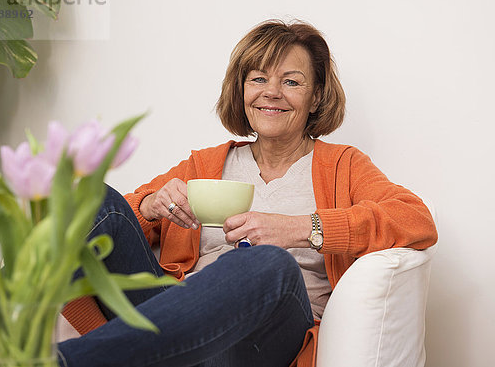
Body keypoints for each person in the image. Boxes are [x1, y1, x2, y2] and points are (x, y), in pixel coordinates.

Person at [58, 20, 438, 367]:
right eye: (258, 79)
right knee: (92, 200)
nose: (271, 93)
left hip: (261, 338)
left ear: (317, 97)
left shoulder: (342, 166)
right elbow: (114, 224)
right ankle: (3, 310)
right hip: (173, 324)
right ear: (241, 90)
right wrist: (151, 206)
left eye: (291, 82)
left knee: (267, 262)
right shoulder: (205, 164)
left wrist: (299, 229)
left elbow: (415, 219)